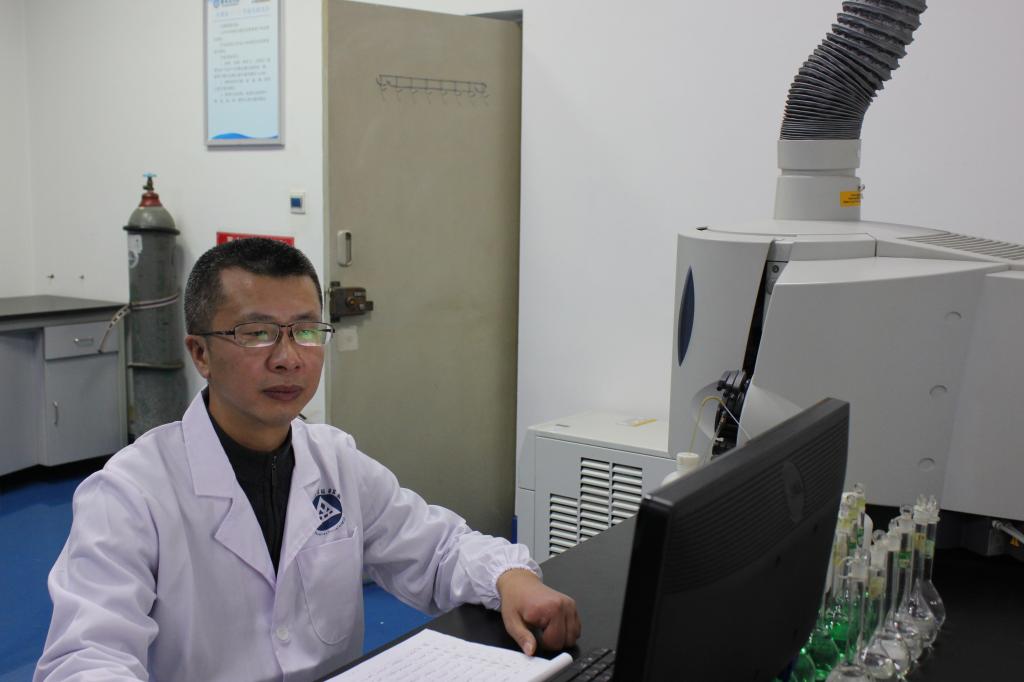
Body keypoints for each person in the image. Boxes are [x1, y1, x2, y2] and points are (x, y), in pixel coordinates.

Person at [35, 238, 580, 681]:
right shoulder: (130, 493)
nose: (288, 358)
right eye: (256, 333)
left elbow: (437, 551)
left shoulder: (334, 459)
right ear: (200, 353)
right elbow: (87, 656)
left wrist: (510, 576)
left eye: (305, 331)